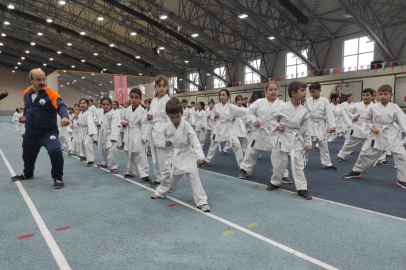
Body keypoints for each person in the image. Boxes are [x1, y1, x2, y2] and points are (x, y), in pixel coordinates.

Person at [11, 69, 70, 189]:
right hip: (30, 134)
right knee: (27, 155)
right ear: (31, 80)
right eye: (39, 79)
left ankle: (57, 177)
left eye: (44, 79)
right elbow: (27, 108)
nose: (42, 82)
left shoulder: (52, 94)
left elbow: (61, 106)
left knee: (55, 151)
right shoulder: (26, 93)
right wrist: (25, 117)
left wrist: (65, 117)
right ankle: (28, 173)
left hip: (48, 133)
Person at [151, 98, 210, 212]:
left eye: (177, 116)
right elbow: (163, 137)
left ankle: (202, 201)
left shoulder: (186, 125)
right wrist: (166, 142)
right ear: (168, 116)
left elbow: (194, 140)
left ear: (182, 113)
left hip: (187, 154)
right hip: (175, 155)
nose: (175, 119)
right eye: (172, 117)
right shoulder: (167, 126)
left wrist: (200, 156)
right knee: (168, 177)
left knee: (194, 177)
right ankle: (160, 192)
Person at [342, 85, 406, 190]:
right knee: (366, 153)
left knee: (402, 155)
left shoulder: (395, 107)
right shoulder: (373, 107)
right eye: (380, 94)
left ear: (391, 95)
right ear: (377, 95)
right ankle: (356, 171)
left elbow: (403, 121)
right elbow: (367, 120)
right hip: (377, 133)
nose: (383, 96)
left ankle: (403, 180)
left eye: (385, 94)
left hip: (392, 134)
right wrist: (372, 127)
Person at [238, 81, 292, 183]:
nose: (273, 92)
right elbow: (249, 111)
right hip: (259, 131)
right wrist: (254, 121)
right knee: (252, 152)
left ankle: (283, 173)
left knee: (279, 154)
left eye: (275, 89)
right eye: (270, 90)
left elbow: (286, 117)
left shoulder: (282, 104)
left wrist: (281, 125)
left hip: (274, 132)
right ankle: (244, 169)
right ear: (266, 91)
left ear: (278, 91)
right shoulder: (259, 102)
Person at [266, 81, 313, 200]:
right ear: (293, 93)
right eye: (302, 91)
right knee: (279, 163)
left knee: (298, 165)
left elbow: (306, 127)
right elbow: (272, 118)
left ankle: (302, 188)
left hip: (296, 139)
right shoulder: (282, 107)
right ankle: (275, 182)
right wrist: (277, 125)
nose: (304, 93)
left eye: (304, 91)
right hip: (282, 137)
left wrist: (308, 142)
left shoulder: (304, 110)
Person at [200, 89, 246, 168]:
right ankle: (208, 161)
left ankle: (241, 165)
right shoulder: (216, 106)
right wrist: (214, 116)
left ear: (228, 97)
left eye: (223, 95)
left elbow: (242, 112)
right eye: (220, 95)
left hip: (228, 128)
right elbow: (210, 115)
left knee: (237, 145)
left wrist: (252, 112)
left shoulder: (231, 106)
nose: (221, 97)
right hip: (219, 128)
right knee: (213, 145)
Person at [144, 75, 171, 187]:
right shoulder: (154, 101)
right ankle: (159, 178)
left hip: (164, 130)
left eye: (164, 86)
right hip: (154, 130)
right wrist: (148, 117)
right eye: (159, 86)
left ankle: (168, 183)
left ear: (167, 87)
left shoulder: (169, 101)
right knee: (155, 158)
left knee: (164, 159)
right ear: (155, 87)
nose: (161, 88)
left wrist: (169, 136)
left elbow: (170, 118)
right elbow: (149, 115)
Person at [304, 82, 337, 171]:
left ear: (319, 90)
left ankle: (327, 163)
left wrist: (332, 126)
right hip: (309, 123)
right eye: (310, 92)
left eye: (313, 91)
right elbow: (304, 112)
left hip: (320, 123)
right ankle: (303, 161)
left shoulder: (325, 101)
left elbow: (329, 114)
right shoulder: (308, 100)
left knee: (323, 144)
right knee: (305, 142)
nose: (312, 93)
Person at [337, 89, 375, 162]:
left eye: (367, 95)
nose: (365, 97)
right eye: (363, 95)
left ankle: (380, 159)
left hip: (369, 128)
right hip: (358, 127)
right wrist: (353, 116)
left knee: (374, 144)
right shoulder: (357, 105)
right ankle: (341, 155)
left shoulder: (375, 106)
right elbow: (349, 111)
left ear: (372, 96)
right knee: (350, 143)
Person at [122, 89, 151, 182]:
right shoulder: (126, 110)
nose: (133, 99)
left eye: (136, 98)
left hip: (139, 132)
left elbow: (145, 124)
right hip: (128, 133)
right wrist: (124, 123)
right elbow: (121, 120)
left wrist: (144, 137)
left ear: (140, 99)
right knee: (128, 154)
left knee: (141, 154)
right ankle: (130, 171)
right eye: (132, 97)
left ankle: (144, 174)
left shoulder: (143, 111)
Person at [96, 97, 119, 174]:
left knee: (112, 150)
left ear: (110, 105)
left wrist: (113, 136)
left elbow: (114, 125)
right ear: (101, 105)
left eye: (107, 104)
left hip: (111, 133)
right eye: (104, 104)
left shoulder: (113, 114)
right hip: (102, 133)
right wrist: (98, 124)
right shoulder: (101, 113)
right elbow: (100, 121)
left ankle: (113, 166)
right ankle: (105, 162)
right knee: (103, 149)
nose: (105, 106)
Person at [78, 98, 97, 166]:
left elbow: (90, 123)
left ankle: (91, 160)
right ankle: (86, 156)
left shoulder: (89, 113)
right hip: (82, 130)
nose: (82, 105)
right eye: (81, 103)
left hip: (88, 130)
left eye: (84, 103)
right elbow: (81, 120)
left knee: (87, 144)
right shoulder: (81, 113)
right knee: (83, 144)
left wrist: (91, 132)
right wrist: (79, 123)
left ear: (88, 104)